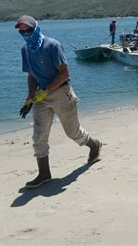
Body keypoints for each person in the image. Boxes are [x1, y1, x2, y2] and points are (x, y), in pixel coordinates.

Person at [15, 15, 102, 189]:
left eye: (28, 30)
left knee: (72, 132)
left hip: (61, 92)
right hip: (41, 97)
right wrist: (31, 97)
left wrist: (46, 90)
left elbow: (64, 74)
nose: (25, 34)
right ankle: (44, 174)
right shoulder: (26, 50)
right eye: (21, 31)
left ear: (36, 28)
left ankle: (94, 145)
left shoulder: (52, 45)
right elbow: (32, 76)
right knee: (38, 135)